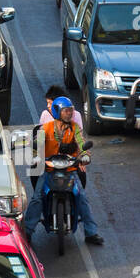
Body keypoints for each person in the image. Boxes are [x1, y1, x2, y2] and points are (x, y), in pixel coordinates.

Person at [23, 96, 103, 245]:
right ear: (57, 111)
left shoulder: (75, 129)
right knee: (37, 198)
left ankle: (91, 232)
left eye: (71, 110)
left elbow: (82, 144)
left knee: (82, 198)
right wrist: (35, 150)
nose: (70, 113)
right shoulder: (45, 128)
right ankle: (27, 232)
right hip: (49, 170)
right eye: (66, 111)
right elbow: (37, 144)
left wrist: (84, 155)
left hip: (70, 170)